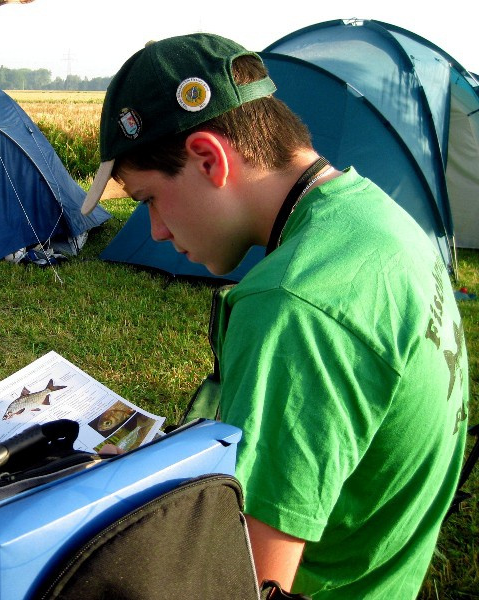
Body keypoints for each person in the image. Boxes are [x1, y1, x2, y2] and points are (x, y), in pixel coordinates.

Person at [80, 33, 469, 599]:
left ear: (210, 158)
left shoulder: (294, 304)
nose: (157, 232)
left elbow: (245, 581)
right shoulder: (374, 216)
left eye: (149, 201)